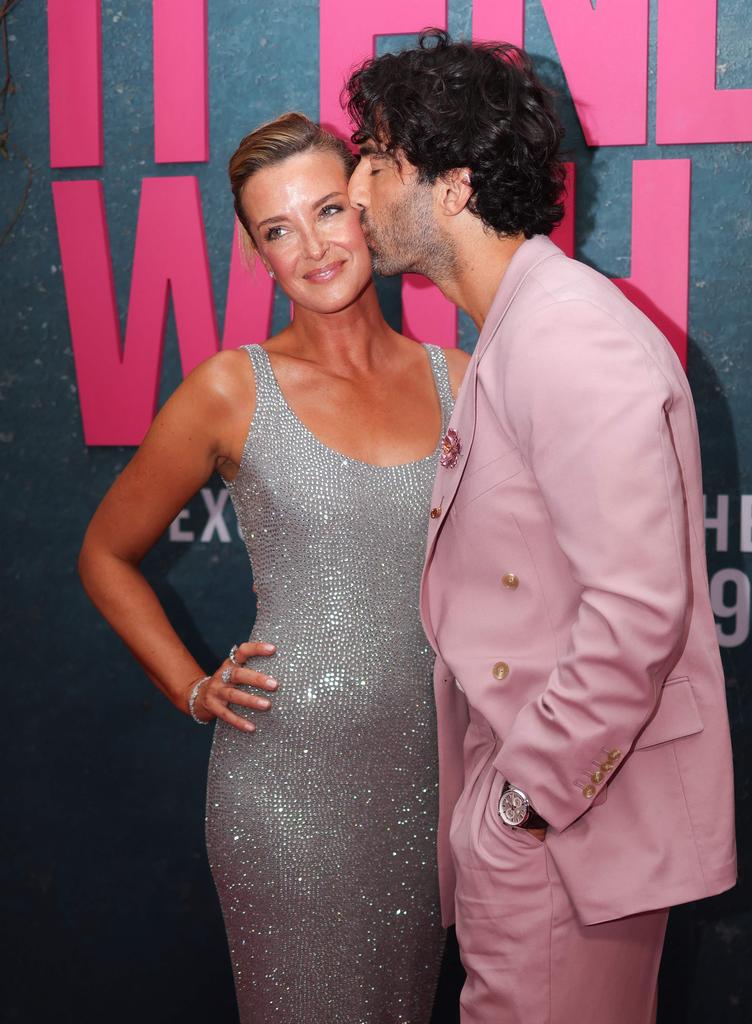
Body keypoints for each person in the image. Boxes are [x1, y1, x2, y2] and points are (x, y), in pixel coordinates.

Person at [345, 31, 737, 1024]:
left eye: (379, 163)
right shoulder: (523, 327)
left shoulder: (564, 336)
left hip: (567, 836)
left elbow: (641, 613)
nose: (356, 190)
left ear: (454, 187)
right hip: (552, 831)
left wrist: (523, 803)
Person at [78, 111, 469, 1024]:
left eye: (329, 210)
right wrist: (189, 686)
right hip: (285, 796)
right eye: (278, 230)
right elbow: (105, 554)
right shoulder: (230, 388)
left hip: (429, 788)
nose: (314, 247)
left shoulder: (461, 378)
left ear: (368, 207)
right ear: (257, 255)